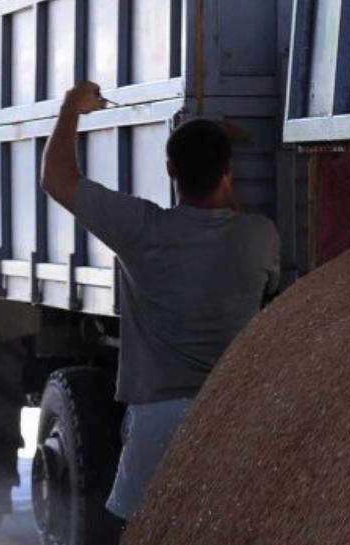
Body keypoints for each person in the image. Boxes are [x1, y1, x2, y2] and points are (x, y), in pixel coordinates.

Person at [41, 81, 280, 520]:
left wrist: (71, 108)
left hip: (157, 421)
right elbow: (237, 225)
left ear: (170, 171)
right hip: (231, 413)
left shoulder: (141, 231)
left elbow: (57, 179)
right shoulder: (259, 236)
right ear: (228, 171)